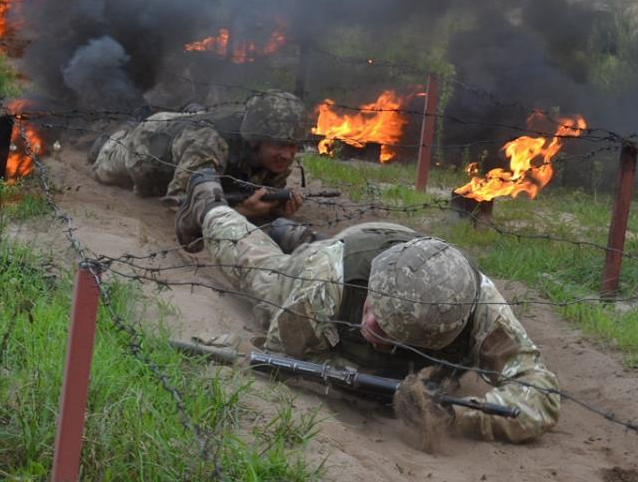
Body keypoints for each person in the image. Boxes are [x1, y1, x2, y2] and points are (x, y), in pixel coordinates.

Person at [179, 167, 561, 443]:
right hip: (337, 262)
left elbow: (539, 396)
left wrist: (452, 412)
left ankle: (296, 234)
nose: (370, 326)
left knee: (321, 261)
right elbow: (284, 353)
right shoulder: (325, 281)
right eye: (372, 306)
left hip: (394, 256)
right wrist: (359, 375)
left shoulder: (478, 306)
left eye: (389, 332)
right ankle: (210, 206)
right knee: (259, 270)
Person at [92, 90, 310, 238]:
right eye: (279, 144)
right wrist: (243, 212)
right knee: (102, 169)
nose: (287, 155)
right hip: (147, 145)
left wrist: (276, 208)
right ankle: (115, 134)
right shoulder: (209, 145)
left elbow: (255, 190)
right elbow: (179, 207)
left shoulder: (273, 155)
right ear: (255, 140)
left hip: (188, 135)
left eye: (293, 145)